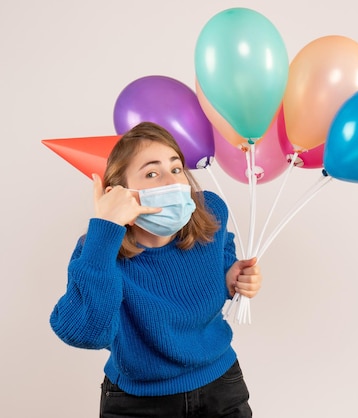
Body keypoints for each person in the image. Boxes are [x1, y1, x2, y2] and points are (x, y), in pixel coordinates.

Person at [50, 121, 262, 417]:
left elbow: (222, 250)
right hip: (139, 401)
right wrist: (106, 227)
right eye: (152, 173)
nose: (172, 181)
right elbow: (87, 333)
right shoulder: (97, 249)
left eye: (176, 169)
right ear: (118, 194)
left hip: (221, 386)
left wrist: (229, 276)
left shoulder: (210, 210)